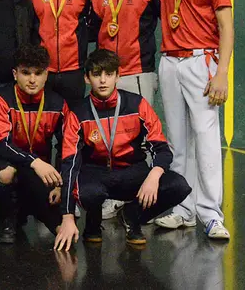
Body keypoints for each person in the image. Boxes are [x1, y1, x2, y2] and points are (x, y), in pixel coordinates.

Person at [54, 49, 191, 250]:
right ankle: (92, 222)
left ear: (118, 76)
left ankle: (132, 216)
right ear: (86, 78)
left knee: (178, 186)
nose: (103, 80)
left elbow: (161, 148)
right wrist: (67, 217)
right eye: (96, 74)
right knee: (89, 194)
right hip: (95, 173)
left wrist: (154, 175)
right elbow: (70, 163)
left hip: (132, 171)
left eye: (109, 74)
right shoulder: (77, 113)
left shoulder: (137, 104)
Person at [152, 0, 233, 240]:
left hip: (201, 61)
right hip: (170, 62)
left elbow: (226, 27)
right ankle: (183, 210)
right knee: (177, 141)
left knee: (206, 137)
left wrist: (222, 74)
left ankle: (211, 214)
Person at [89, 0, 162, 221]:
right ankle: (116, 196)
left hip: (139, 71)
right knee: (110, 138)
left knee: (141, 139)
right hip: (107, 77)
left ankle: (145, 199)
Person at [0, 44, 67, 243]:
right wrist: (34, 162)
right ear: (15, 74)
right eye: (25, 73)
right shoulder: (1, 99)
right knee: (5, 174)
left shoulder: (58, 103)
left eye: (38, 73)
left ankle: (31, 211)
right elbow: (1, 144)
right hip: (12, 161)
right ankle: (7, 219)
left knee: (60, 229)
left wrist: (60, 184)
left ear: (46, 75)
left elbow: (66, 146)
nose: (32, 80)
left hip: (42, 169)